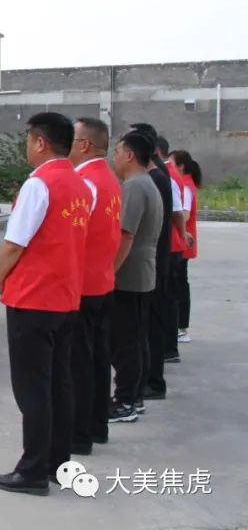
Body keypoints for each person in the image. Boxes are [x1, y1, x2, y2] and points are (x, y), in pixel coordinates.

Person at [0, 113, 91, 497]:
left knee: (32, 388)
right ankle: (56, 462)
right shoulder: (80, 185)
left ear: (40, 142)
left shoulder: (39, 184)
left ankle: (32, 470)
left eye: (29, 140)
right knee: (59, 383)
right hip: (65, 298)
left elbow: (14, 244)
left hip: (33, 298)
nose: (27, 146)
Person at [68, 118, 121, 454]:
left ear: (85, 144)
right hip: (102, 281)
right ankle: (98, 424)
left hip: (84, 285)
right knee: (99, 358)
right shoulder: (109, 179)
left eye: (72, 139)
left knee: (79, 362)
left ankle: (80, 433)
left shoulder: (85, 182)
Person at [108, 131, 163, 424]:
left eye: (117, 152)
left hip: (129, 276)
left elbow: (125, 235)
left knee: (125, 342)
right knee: (136, 338)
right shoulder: (147, 183)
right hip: (143, 272)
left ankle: (126, 401)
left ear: (129, 155)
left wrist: (109, 271)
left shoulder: (134, 187)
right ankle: (135, 397)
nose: (114, 158)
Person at [129, 123, 175, 403]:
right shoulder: (157, 174)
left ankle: (153, 381)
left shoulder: (152, 178)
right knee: (149, 324)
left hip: (152, 261)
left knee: (149, 326)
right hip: (156, 258)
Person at [157, 136, 193, 364]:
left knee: (166, 299)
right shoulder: (168, 173)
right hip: (172, 244)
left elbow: (178, 212)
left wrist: (182, 233)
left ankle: (169, 348)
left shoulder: (166, 175)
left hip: (170, 246)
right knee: (168, 298)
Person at [170, 150, 201, 343]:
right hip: (182, 241)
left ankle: (182, 327)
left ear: (180, 166)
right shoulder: (184, 183)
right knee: (180, 284)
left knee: (180, 285)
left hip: (183, 242)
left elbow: (185, 214)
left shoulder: (186, 186)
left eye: (172, 163)